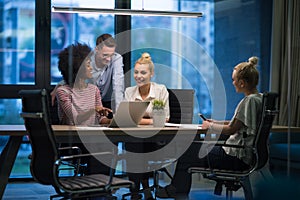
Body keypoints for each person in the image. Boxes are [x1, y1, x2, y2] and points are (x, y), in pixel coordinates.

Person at [156, 56, 262, 199]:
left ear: (242, 83)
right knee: (192, 148)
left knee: (187, 150)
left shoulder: (247, 102)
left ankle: (176, 190)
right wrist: (216, 122)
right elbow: (237, 124)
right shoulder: (259, 99)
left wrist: (211, 126)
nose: (233, 83)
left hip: (235, 157)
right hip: (247, 156)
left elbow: (231, 129)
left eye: (234, 80)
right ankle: (177, 190)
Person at [55, 42, 114, 176]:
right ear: (78, 68)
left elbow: (101, 119)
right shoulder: (63, 92)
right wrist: (94, 110)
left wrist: (112, 119)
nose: (91, 67)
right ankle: (98, 189)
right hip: (73, 141)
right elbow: (75, 119)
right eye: (88, 65)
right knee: (101, 147)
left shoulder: (94, 90)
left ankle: (102, 188)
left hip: (93, 138)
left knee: (108, 145)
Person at [124, 52, 170, 200]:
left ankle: (136, 188)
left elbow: (163, 119)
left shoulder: (160, 90)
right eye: (136, 72)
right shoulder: (129, 92)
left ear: (152, 74)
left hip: (156, 138)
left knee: (138, 144)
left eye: (143, 72)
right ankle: (142, 187)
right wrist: (150, 121)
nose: (139, 76)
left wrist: (139, 120)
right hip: (135, 138)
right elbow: (126, 118)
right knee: (135, 142)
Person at [52, 33, 124, 113]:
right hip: (89, 101)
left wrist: (119, 114)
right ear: (97, 49)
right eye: (105, 55)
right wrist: (60, 84)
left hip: (108, 101)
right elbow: (76, 73)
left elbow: (118, 86)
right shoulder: (87, 59)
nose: (109, 59)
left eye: (111, 55)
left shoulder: (116, 59)